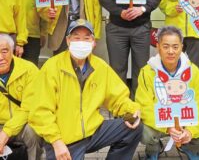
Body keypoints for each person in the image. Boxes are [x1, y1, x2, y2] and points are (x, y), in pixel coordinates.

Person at [29, 19, 143, 160]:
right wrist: (56, 141)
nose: (81, 42)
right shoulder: (52, 67)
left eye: (86, 38)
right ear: (68, 41)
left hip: (92, 130)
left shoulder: (100, 66)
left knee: (134, 128)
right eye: (76, 38)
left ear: (93, 42)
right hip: (64, 139)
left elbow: (118, 97)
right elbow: (40, 111)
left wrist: (131, 110)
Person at [135, 26, 199, 160]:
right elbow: (144, 105)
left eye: (175, 46)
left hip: (186, 120)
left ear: (181, 47)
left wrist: (191, 131)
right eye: (166, 46)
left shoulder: (193, 71)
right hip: (161, 120)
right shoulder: (147, 71)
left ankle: (189, 147)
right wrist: (168, 127)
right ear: (158, 47)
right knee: (143, 132)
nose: (171, 51)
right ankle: (153, 149)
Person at [0, 34, 42, 159]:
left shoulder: (29, 70)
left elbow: (29, 108)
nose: (0, 57)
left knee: (33, 132)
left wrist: (6, 133)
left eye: (4, 51)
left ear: (12, 51)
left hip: (23, 123)